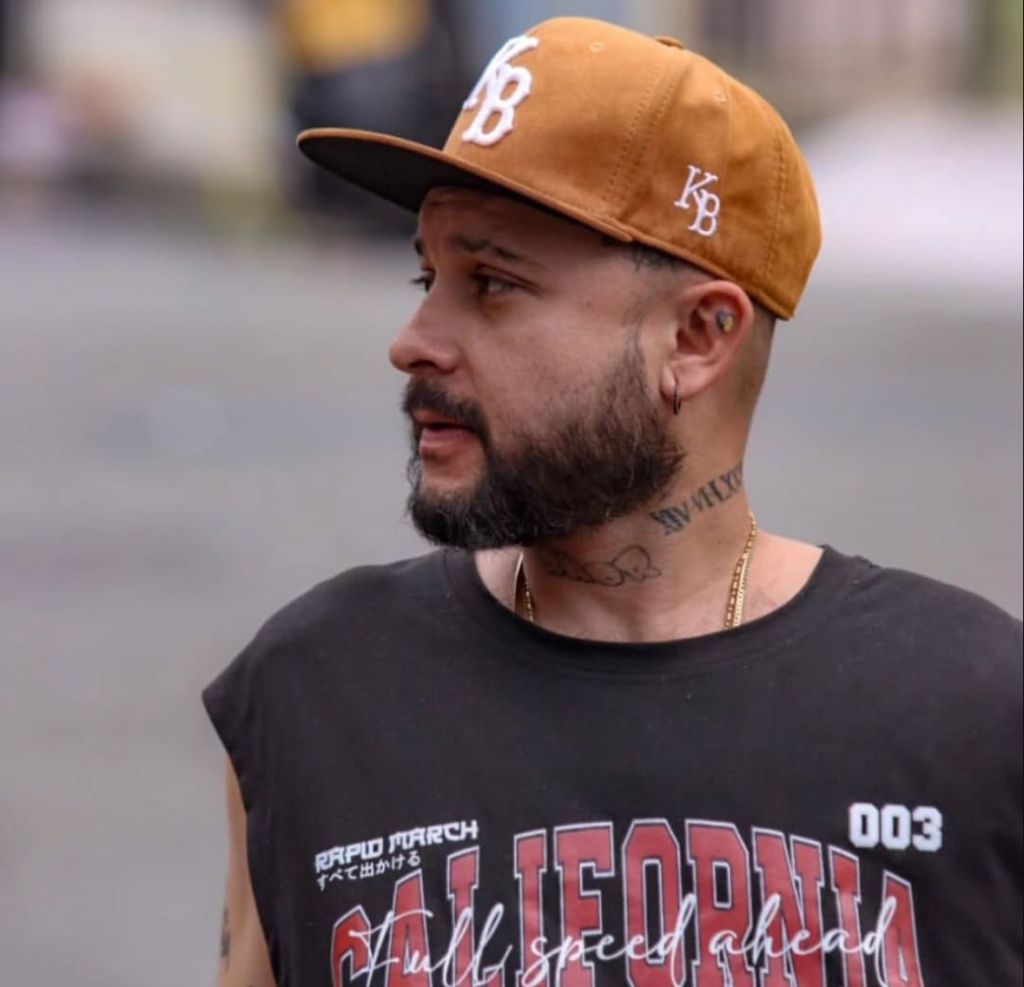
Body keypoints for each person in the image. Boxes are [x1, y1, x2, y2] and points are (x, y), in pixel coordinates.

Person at [204, 17, 1022, 987]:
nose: (413, 339)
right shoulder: (313, 695)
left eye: (493, 283)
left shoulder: (973, 712)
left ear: (698, 338)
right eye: (428, 275)